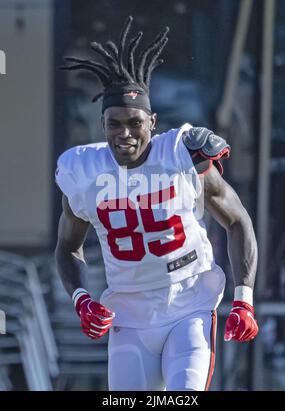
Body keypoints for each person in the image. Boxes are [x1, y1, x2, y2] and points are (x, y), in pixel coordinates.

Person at [55, 16, 259, 391]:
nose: (125, 134)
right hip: (129, 315)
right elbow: (68, 246)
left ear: (153, 121)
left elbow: (237, 220)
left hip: (190, 303)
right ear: (102, 124)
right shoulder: (82, 171)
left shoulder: (181, 156)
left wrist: (243, 298)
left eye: (134, 123)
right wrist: (81, 298)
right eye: (114, 124)